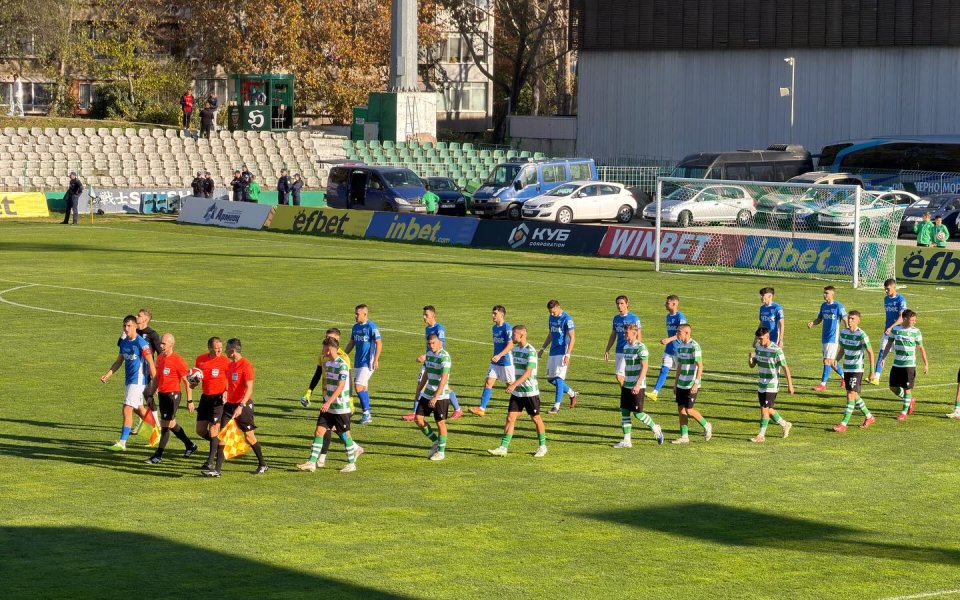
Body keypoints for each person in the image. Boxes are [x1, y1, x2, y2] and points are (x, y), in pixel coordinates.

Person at [301, 327, 364, 468]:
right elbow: (320, 376)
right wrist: (311, 391)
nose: (322, 349)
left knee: (345, 434)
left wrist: (346, 401)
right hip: (328, 403)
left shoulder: (343, 362)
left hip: (340, 405)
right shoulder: (327, 363)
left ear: (331, 347)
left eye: (325, 346)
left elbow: (342, 386)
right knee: (320, 430)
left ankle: (351, 462)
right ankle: (312, 462)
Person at [203, 338, 268, 476]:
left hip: (243, 406)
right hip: (229, 406)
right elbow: (230, 385)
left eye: (226, 348)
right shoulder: (231, 365)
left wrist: (241, 406)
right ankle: (217, 470)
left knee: (249, 437)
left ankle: (263, 464)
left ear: (232, 351)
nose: (224, 350)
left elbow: (249, 389)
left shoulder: (246, 365)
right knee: (223, 435)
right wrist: (226, 393)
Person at [487, 325, 548, 457]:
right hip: (517, 393)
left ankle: (542, 446)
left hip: (530, 392)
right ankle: (503, 448)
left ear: (521, 335)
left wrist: (513, 384)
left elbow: (528, 372)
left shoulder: (530, 351)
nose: (511, 337)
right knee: (510, 418)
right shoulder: (514, 350)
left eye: (514, 335)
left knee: (536, 418)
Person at [100, 315, 157, 451]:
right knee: (139, 409)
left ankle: (122, 442)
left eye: (129, 326)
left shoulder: (142, 343)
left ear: (135, 326)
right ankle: (156, 430)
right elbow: (119, 361)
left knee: (126, 409)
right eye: (124, 326)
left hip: (138, 381)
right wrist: (108, 374)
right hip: (129, 381)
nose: (126, 328)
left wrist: (156, 383)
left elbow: (150, 363)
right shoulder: (124, 342)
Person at [402, 306, 462, 421]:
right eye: (423, 315)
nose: (424, 317)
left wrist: (425, 356)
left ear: (433, 316)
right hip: (429, 360)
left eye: (426, 315)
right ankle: (457, 409)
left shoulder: (440, 328)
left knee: (436, 384)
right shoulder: (427, 329)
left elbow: (441, 346)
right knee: (425, 383)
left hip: (436, 360)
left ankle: (415, 412)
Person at [146, 333, 197, 463]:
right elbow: (157, 378)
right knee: (171, 423)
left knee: (165, 425)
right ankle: (190, 445)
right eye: (161, 343)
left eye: (164, 343)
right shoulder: (160, 358)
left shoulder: (178, 360)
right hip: (163, 394)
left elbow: (186, 382)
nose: (161, 345)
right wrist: (151, 394)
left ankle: (158, 455)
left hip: (173, 395)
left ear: (171, 345)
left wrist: (190, 400)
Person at [612, 323, 663, 448]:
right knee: (624, 411)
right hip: (627, 384)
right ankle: (627, 440)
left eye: (626, 333)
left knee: (638, 413)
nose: (624, 335)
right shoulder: (626, 347)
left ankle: (655, 428)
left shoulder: (641, 347)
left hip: (637, 385)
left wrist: (638, 384)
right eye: (624, 333)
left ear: (634, 333)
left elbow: (645, 367)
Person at [831, 311, 876, 432]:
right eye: (849, 318)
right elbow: (842, 349)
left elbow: (871, 352)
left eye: (852, 318)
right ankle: (869, 416)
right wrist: (836, 360)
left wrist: (872, 372)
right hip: (847, 368)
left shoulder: (862, 335)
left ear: (858, 321)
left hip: (857, 369)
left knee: (851, 394)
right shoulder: (844, 333)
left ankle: (843, 424)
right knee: (853, 395)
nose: (849, 320)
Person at [747, 326, 794, 443]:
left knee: (764, 409)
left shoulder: (776, 350)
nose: (759, 341)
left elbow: (785, 368)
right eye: (758, 339)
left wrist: (790, 385)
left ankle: (761, 436)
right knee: (768, 410)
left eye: (761, 339)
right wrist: (750, 359)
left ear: (768, 337)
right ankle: (785, 424)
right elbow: (752, 366)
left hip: (772, 384)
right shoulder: (758, 348)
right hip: (761, 384)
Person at [882, 309, 929, 422]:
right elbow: (889, 344)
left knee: (907, 388)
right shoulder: (896, 330)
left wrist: (926, 364)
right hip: (897, 364)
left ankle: (903, 412)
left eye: (915, 320)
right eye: (912, 320)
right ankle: (909, 400)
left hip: (909, 365)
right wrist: (883, 357)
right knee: (893, 387)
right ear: (905, 319)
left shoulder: (916, 332)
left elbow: (921, 348)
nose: (914, 322)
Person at [412, 333, 453, 461]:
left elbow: (444, 378)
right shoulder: (429, 355)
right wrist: (419, 390)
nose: (431, 346)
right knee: (418, 419)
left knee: (440, 423)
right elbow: (426, 374)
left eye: (433, 343)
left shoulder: (444, 357)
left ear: (439, 342)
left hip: (440, 396)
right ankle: (436, 441)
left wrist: (435, 397)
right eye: (429, 344)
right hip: (427, 393)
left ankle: (441, 452)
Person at [470, 305, 515, 417]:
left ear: (502, 314)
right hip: (495, 362)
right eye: (492, 313)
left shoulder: (507, 327)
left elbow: (510, 345)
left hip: (506, 361)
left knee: (511, 386)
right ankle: (482, 409)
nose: (492, 315)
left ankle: (527, 400)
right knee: (488, 383)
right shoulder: (494, 328)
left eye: (495, 313)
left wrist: (499, 355)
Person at [194, 336, 231, 471]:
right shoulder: (200, 360)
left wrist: (227, 391)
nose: (218, 352)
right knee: (200, 430)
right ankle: (219, 447)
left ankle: (210, 462)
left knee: (214, 429)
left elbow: (232, 380)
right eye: (215, 349)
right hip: (205, 398)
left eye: (220, 349)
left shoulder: (225, 361)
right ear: (209, 348)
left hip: (219, 400)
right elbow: (196, 379)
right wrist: (193, 383)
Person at [672, 324, 712, 444]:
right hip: (681, 383)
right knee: (681, 409)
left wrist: (696, 383)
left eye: (679, 331)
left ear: (687, 333)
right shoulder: (680, 346)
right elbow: (679, 365)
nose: (677, 333)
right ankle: (684, 436)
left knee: (689, 410)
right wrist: (675, 383)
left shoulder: (694, 346)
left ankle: (706, 425)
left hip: (691, 384)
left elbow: (700, 366)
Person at [343, 305, 382, 425]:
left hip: (368, 362)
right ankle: (367, 413)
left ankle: (366, 413)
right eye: (355, 313)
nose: (355, 316)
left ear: (365, 314)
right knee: (363, 387)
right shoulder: (355, 327)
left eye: (357, 314)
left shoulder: (372, 327)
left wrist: (376, 360)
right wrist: (344, 355)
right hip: (358, 361)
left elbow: (379, 343)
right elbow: (352, 342)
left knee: (358, 386)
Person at [538, 299, 578, 414]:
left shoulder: (567, 319)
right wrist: (542, 349)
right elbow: (551, 333)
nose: (551, 314)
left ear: (558, 307)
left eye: (553, 312)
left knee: (559, 379)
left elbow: (573, 338)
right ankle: (572, 393)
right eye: (550, 312)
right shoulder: (551, 317)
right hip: (553, 351)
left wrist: (568, 354)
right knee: (551, 379)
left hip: (563, 351)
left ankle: (556, 406)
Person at [646, 295, 686, 402]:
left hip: (679, 349)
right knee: (663, 370)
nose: (665, 304)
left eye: (667, 303)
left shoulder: (680, 317)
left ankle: (684, 393)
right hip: (669, 349)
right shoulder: (668, 316)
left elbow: (681, 334)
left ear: (674, 304)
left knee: (681, 374)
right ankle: (655, 393)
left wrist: (668, 340)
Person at [807, 285, 847, 391]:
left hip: (833, 338)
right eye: (824, 293)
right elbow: (819, 319)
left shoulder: (838, 306)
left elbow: (845, 319)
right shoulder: (823, 306)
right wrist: (813, 323)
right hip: (824, 337)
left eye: (826, 293)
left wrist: (848, 331)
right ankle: (844, 377)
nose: (824, 295)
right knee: (831, 361)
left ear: (832, 294)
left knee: (827, 361)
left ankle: (823, 384)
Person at [869, 278, 906, 385]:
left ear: (894, 287)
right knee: (882, 352)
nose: (886, 291)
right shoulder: (886, 299)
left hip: (898, 332)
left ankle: (905, 375)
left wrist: (892, 327)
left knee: (901, 354)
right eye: (885, 289)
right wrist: (888, 328)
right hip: (887, 331)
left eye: (888, 288)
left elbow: (902, 317)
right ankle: (876, 377)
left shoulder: (901, 299)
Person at [603, 295, 641, 386]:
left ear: (627, 304)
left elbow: (639, 335)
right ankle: (627, 395)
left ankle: (628, 394)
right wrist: (607, 349)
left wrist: (638, 349)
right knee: (622, 377)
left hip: (629, 350)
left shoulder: (634, 318)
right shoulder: (616, 318)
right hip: (618, 350)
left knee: (619, 376)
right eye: (618, 304)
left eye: (622, 303)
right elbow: (613, 335)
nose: (619, 306)